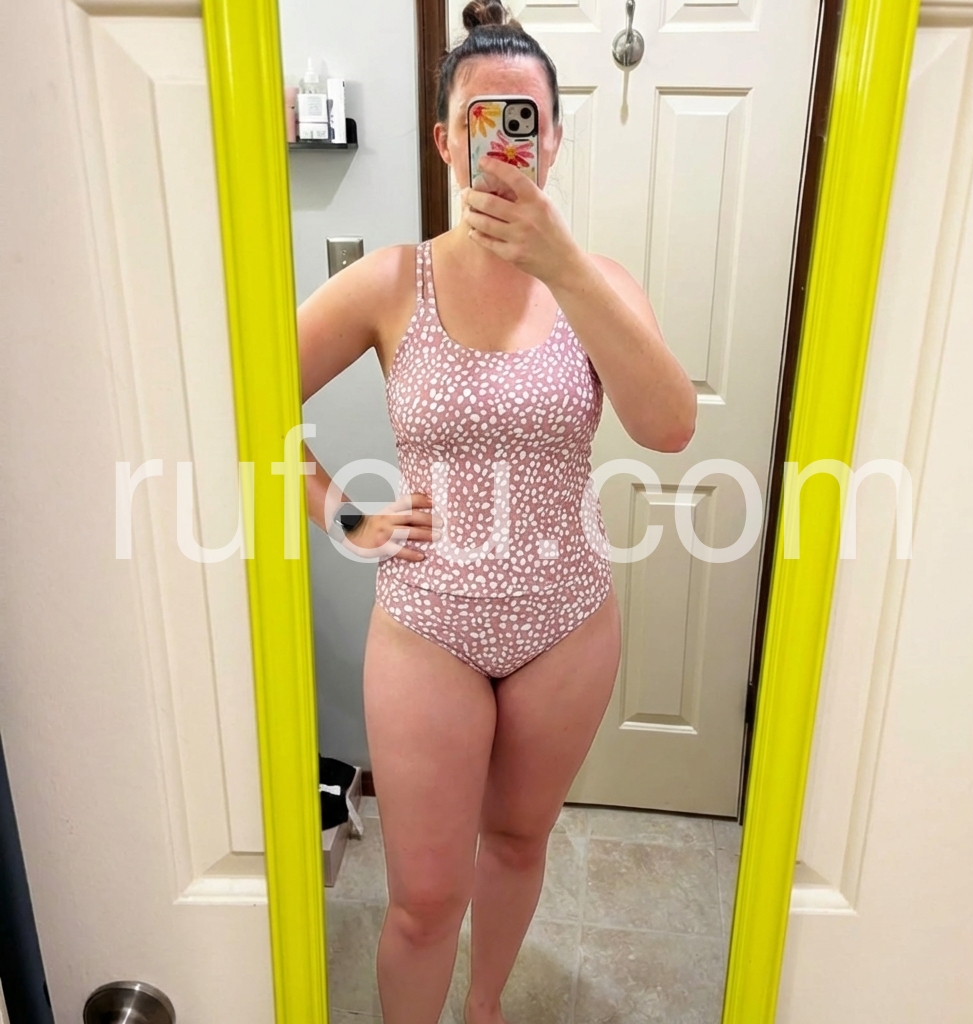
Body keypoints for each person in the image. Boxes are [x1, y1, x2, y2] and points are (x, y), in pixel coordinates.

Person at [297, 3, 697, 1021]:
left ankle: (483, 1009)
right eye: (483, 120)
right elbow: (240, 394)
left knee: (519, 842)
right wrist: (340, 514)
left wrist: (561, 266)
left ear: (553, 140)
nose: (507, 141)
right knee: (423, 901)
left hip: (566, 621)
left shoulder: (601, 285)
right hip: (427, 623)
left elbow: (668, 426)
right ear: (446, 141)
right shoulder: (391, 281)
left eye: (527, 120)